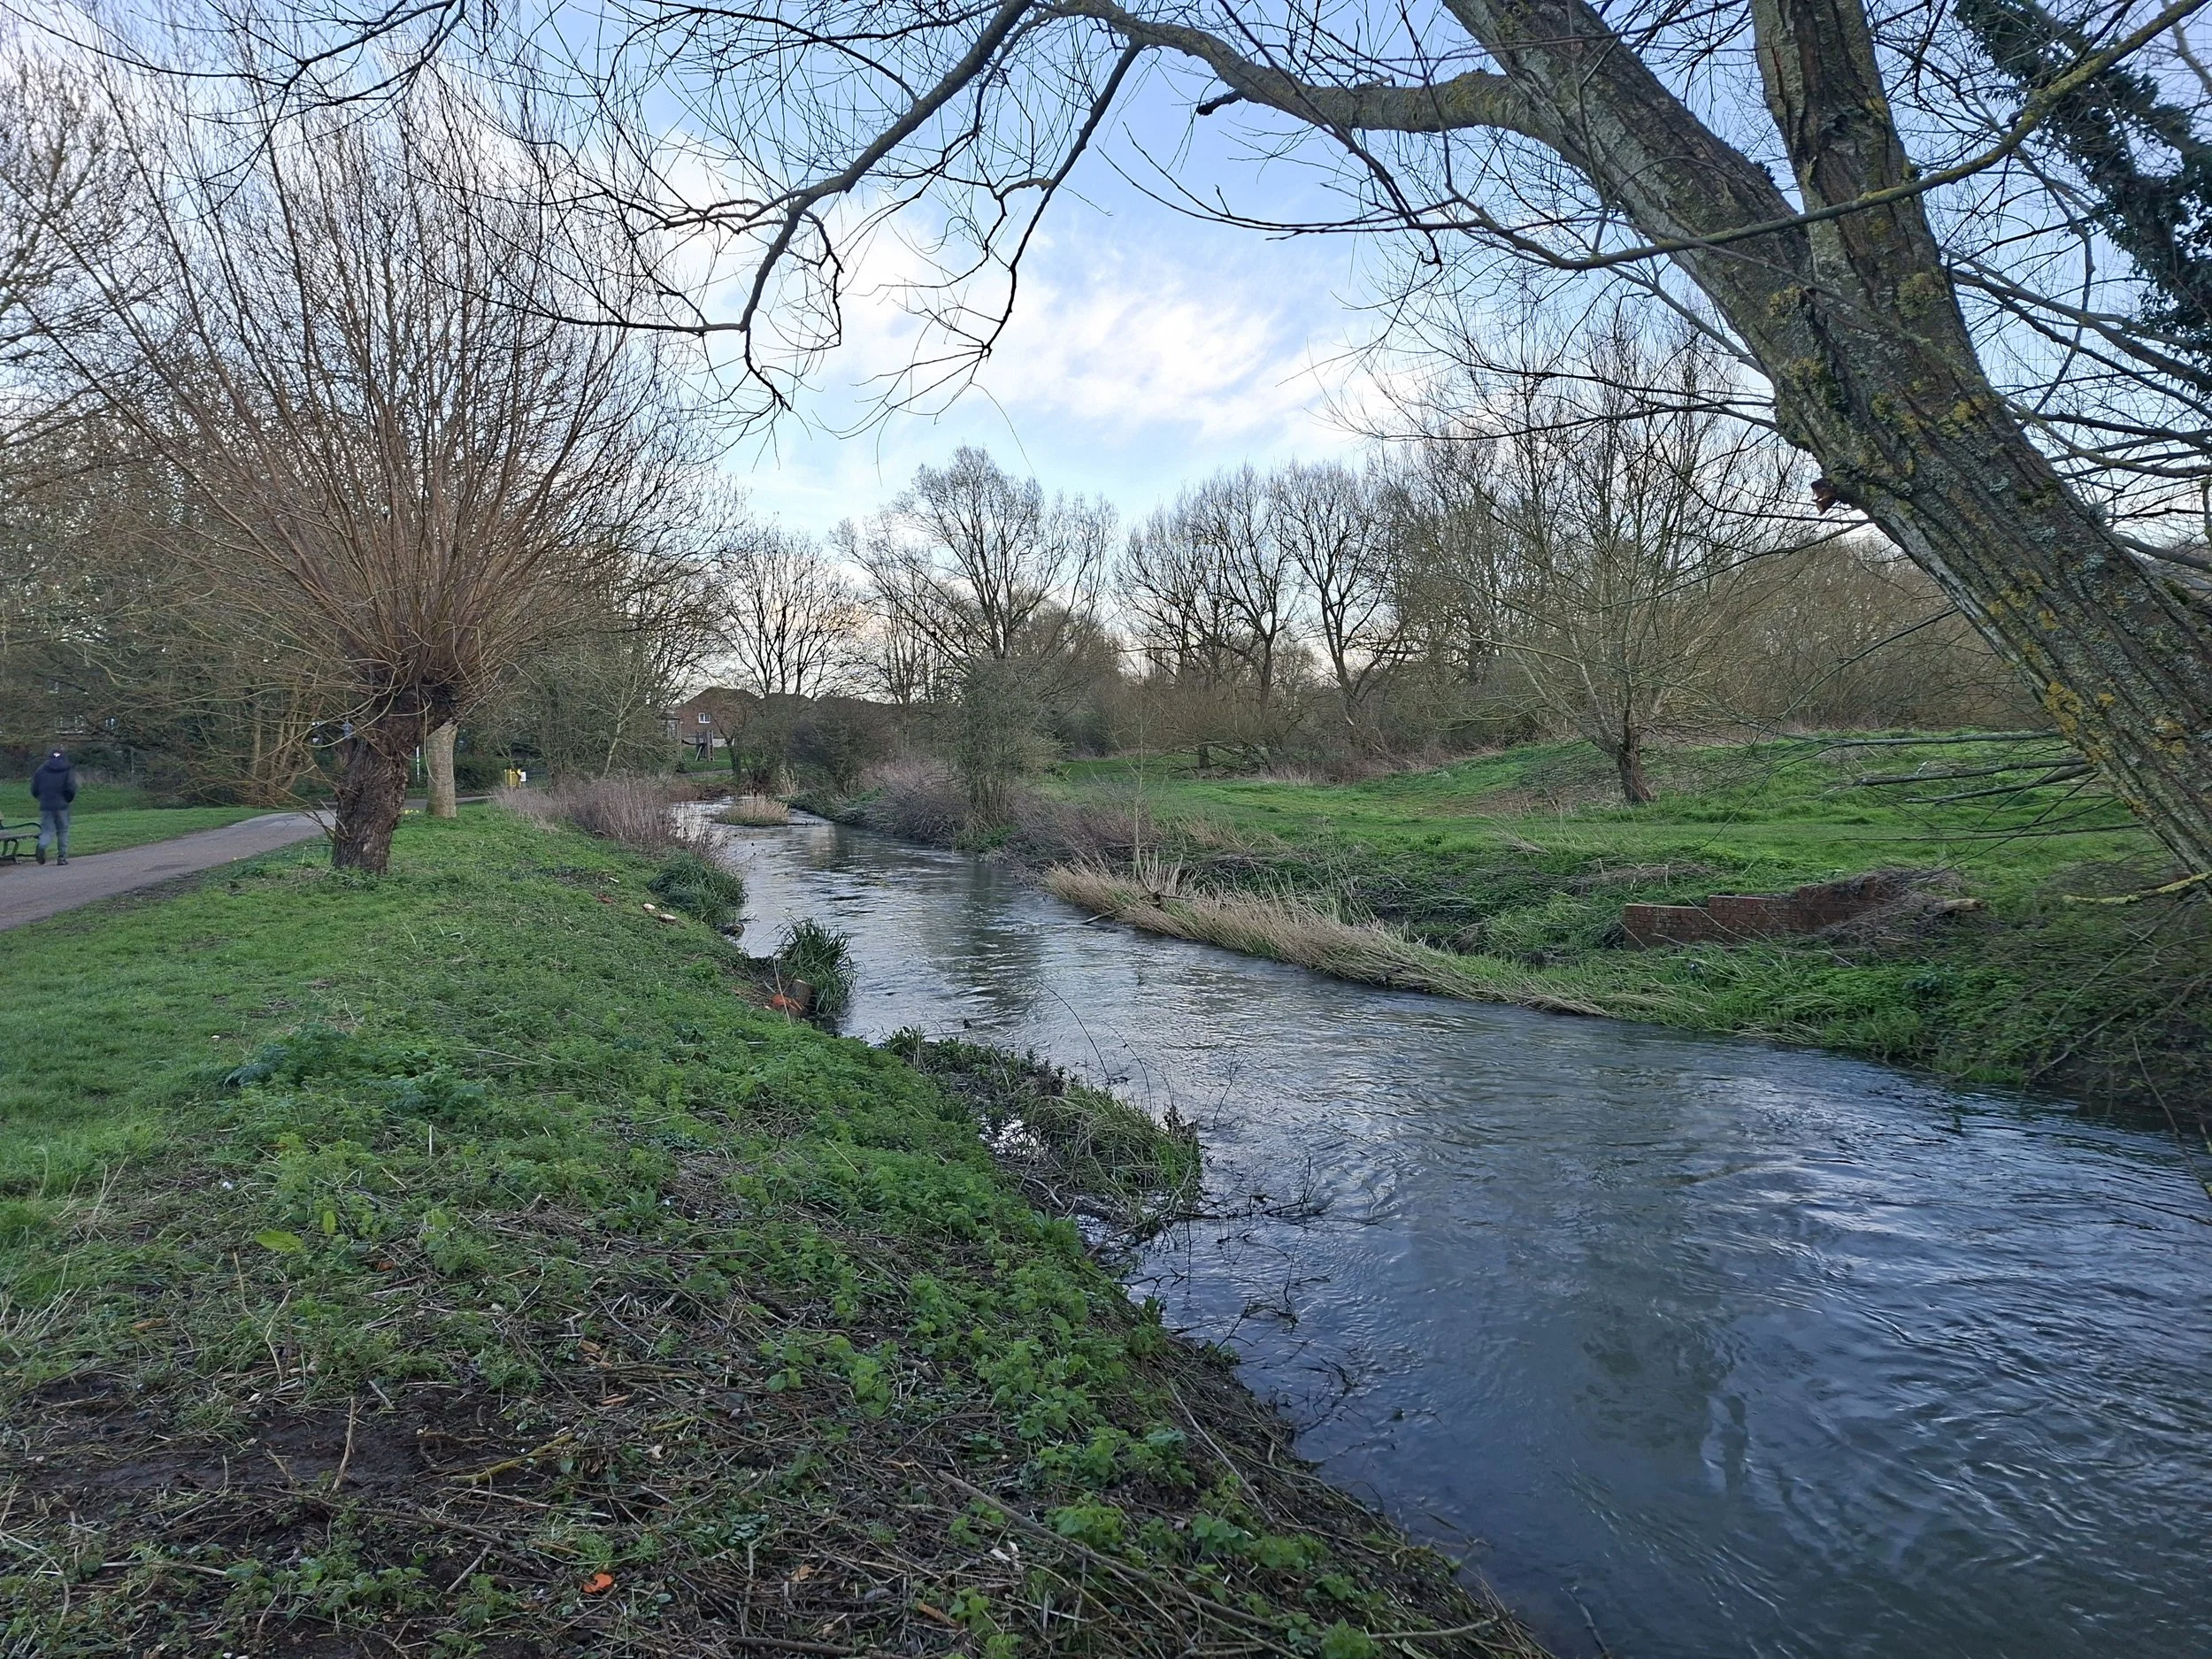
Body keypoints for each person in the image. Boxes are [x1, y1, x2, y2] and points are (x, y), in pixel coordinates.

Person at [29, 749, 75, 865]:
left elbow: (34, 789)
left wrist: (41, 798)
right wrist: (68, 799)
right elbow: (70, 788)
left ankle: (42, 845)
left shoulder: (41, 770)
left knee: (47, 830)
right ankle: (61, 857)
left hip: (46, 805)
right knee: (62, 831)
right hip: (62, 805)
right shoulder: (67, 769)